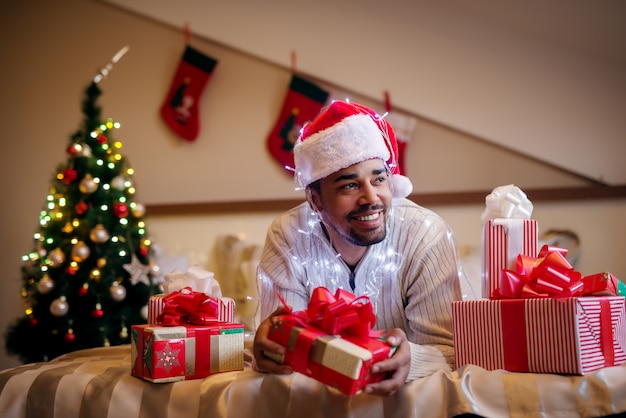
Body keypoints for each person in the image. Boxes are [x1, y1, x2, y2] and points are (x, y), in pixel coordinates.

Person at [252, 100, 464, 397]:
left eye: (379, 179)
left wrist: (411, 360)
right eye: (349, 186)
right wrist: (269, 350)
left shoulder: (424, 233)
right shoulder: (289, 234)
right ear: (315, 199)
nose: (371, 198)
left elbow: (454, 350)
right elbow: (282, 345)